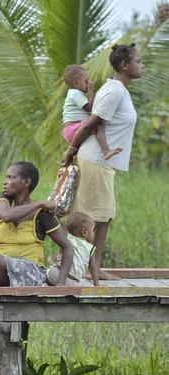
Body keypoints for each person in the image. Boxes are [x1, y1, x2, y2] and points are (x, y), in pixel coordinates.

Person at [60, 43, 144, 281]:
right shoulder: (114, 91)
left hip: (102, 162)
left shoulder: (119, 90)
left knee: (103, 217)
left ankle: (89, 265)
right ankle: (85, 267)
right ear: (125, 66)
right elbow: (89, 124)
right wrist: (70, 151)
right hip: (95, 160)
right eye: (138, 61)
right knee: (93, 217)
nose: (142, 65)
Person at [62, 65, 120, 160]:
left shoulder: (74, 94)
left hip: (72, 129)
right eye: (86, 80)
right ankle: (106, 151)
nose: (89, 82)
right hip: (72, 128)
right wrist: (91, 91)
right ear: (76, 83)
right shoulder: (75, 93)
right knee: (98, 125)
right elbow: (90, 108)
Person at [47, 212, 99, 286]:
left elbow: (59, 227)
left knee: (48, 272)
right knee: (81, 285)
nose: (94, 233)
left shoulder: (67, 239)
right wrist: (97, 285)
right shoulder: (90, 248)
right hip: (71, 282)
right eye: (92, 230)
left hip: (54, 274)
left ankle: (46, 284)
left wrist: (54, 215)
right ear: (84, 231)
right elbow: (93, 267)